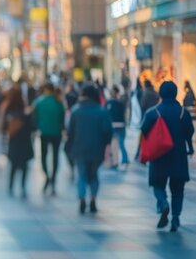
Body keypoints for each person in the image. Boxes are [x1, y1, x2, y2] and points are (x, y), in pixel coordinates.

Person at [140, 81, 195, 232]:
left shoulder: (153, 112)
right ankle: (175, 217)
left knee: (157, 184)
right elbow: (189, 132)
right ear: (176, 93)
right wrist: (190, 147)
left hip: (159, 155)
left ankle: (163, 204)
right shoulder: (183, 113)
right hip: (179, 155)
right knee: (178, 188)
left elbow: (144, 130)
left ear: (160, 94)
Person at [67, 83, 112, 214]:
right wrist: (106, 144)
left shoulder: (75, 111)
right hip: (97, 149)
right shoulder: (101, 111)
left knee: (81, 175)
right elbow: (108, 132)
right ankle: (93, 199)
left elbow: (70, 132)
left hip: (79, 149)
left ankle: (82, 199)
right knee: (94, 175)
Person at [32, 83, 65, 195]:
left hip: (44, 133)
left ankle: (47, 176)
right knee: (55, 157)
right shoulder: (59, 102)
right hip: (56, 133)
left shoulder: (39, 102)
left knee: (43, 156)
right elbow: (62, 119)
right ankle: (53, 179)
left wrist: (36, 128)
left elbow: (34, 118)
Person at [2, 88, 33, 198]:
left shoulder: (9, 111)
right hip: (25, 142)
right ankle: (23, 187)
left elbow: (4, 127)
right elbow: (32, 127)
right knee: (24, 166)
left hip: (14, 142)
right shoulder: (26, 115)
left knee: (13, 166)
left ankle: (11, 186)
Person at [135, 80, 160, 161]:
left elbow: (142, 105)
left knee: (143, 136)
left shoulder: (145, 93)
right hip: (156, 117)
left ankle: (138, 154)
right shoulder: (156, 93)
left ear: (145, 85)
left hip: (146, 117)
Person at [105, 86, 129, 167]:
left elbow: (106, 115)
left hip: (112, 125)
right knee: (121, 143)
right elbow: (124, 114)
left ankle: (114, 161)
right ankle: (125, 159)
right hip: (121, 125)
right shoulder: (121, 103)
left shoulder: (108, 103)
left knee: (113, 144)